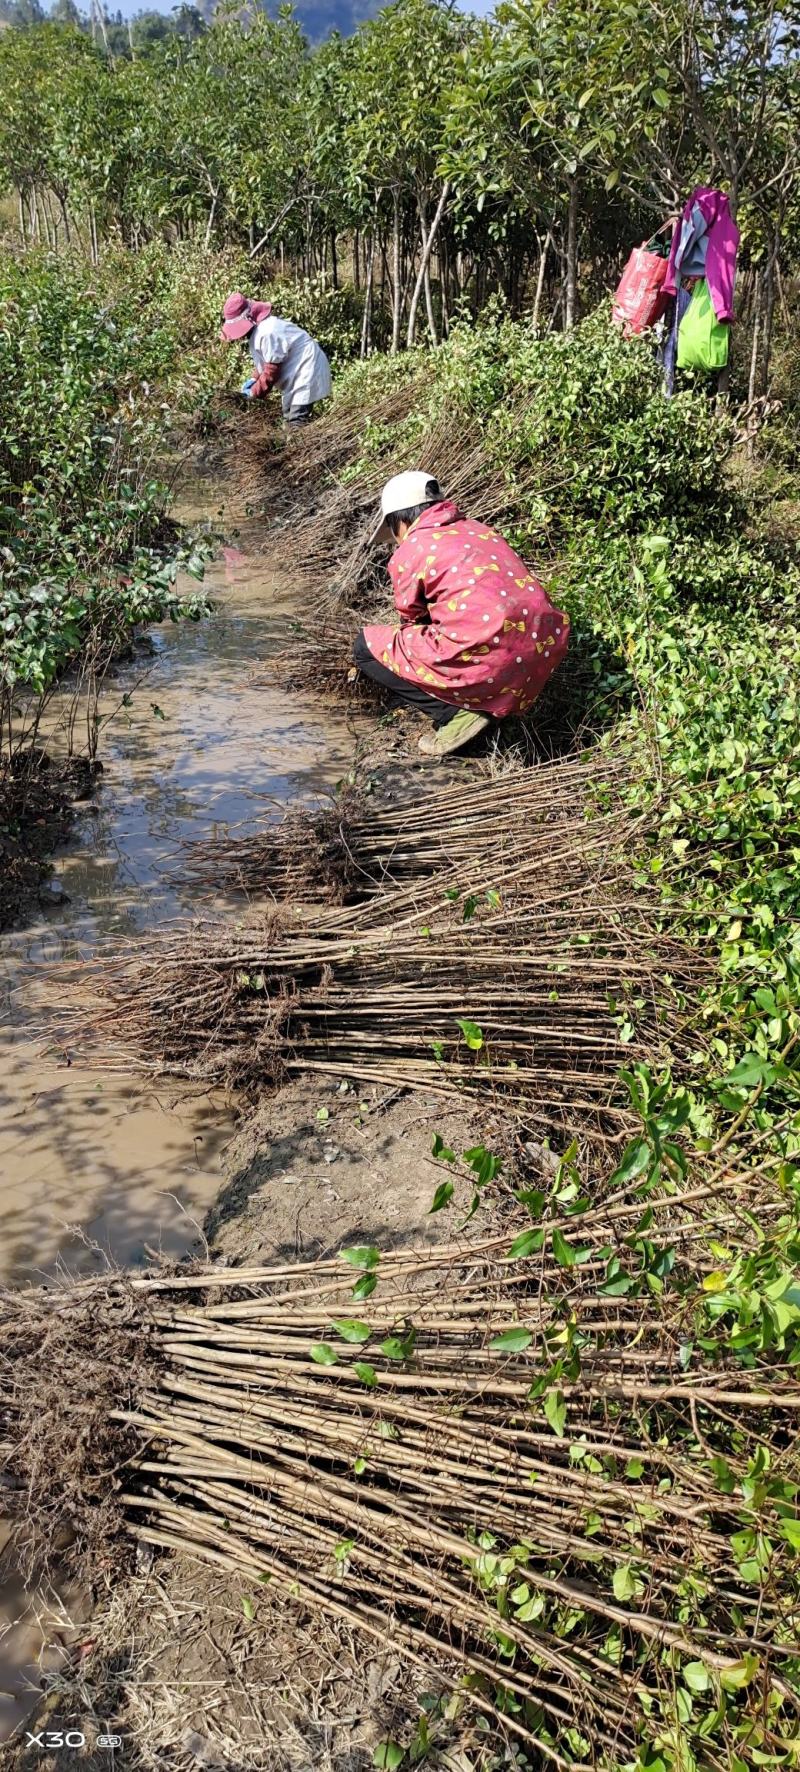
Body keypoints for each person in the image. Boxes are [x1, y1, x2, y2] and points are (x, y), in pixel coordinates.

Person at [353, 472, 570, 757]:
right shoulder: (479, 529)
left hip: (494, 656)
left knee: (366, 647)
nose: (396, 541)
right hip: (542, 651)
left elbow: (411, 620)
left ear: (401, 522)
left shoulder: (413, 548)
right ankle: (488, 703)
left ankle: (453, 714)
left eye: (394, 533)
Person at [220, 293, 332, 425]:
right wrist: (253, 379)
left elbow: (271, 371)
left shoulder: (267, 331)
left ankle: (302, 444)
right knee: (287, 416)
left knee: (296, 421)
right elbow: (265, 361)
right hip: (297, 373)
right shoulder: (258, 331)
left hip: (307, 370)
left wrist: (254, 393)